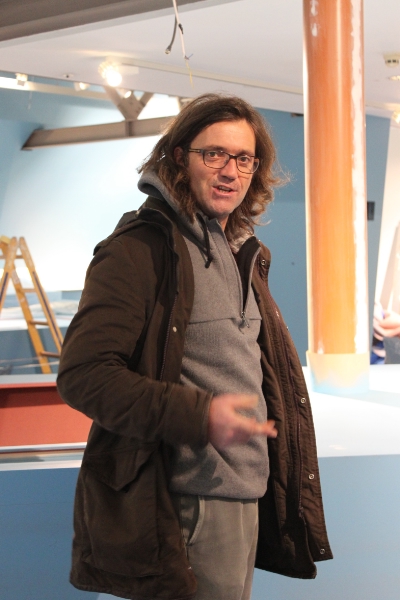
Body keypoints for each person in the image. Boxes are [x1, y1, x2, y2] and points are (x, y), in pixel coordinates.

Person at [57, 93, 332, 600]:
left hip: (246, 497)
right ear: (180, 157)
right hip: (184, 501)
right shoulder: (139, 250)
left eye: (244, 158)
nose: (230, 170)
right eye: (215, 154)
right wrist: (199, 415)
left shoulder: (243, 251)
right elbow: (84, 375)